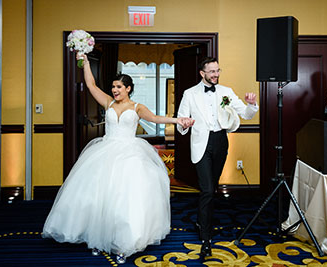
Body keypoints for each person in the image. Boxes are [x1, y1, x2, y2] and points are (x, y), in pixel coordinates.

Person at [42, 54, 194, 264]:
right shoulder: (108, 102)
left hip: (130, 153)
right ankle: (96, 237)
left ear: (128, 89)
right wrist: (85, 62)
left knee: (125, 197)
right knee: (98, 196)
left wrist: (179, 120)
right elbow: (91, 84)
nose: (115, 90)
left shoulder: (137, 107)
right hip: (106, 151)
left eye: (119, 87)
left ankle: (124, 243)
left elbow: (157, 119)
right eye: (113, 86)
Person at [176, 57, 259, 260]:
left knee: (212, 188)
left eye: (217, 71)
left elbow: (246, 114)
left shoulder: (226, 92)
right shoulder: (189, 94)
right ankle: (206, 239)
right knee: (206, 189)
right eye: (211, 71)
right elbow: (180, 123)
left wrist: (252, 104)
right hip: (200, 145)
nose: (215, 75)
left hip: (221, 141)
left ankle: (201, 220)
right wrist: (184, 125)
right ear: (202, 73)